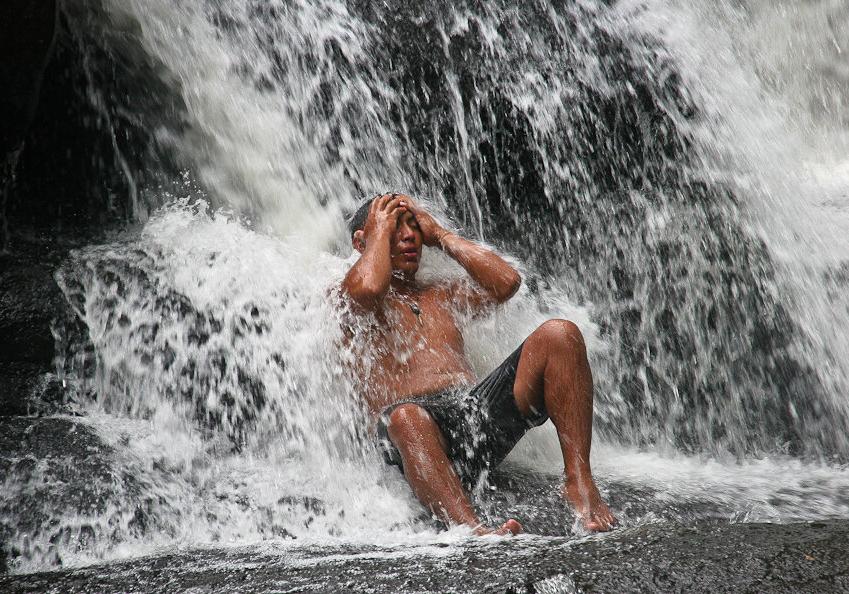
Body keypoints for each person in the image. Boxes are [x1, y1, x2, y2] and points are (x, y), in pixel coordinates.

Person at [340, 192, 616, 535]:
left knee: (561, 335)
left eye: (413, 226)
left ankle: (579, 481)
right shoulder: (350, 300)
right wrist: (376, 235)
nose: (409, 236)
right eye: (394, 228)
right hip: (411, 438)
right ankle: (471, 528)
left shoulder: (440, 293)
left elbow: (506, 283)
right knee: (406, 417)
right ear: (362, 241)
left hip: (471, 417)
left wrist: (441, 236)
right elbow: (367, 287)